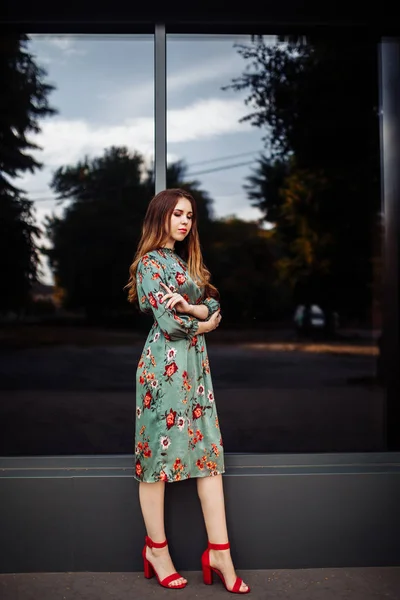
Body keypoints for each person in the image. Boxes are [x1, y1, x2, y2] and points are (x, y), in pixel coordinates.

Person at [125, 188, 250, 594]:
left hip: (195, 371)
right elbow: (169, 323)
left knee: (209, 456)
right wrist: (201, 321)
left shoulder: (184, 264)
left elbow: (213, 306)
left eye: (190, 216)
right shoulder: (149, 264)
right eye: (177, 214)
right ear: (160, 216)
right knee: (156, 458)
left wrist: (195, 309)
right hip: (163, 370)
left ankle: (220, 553)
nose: (184, 221)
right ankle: (157, 551)